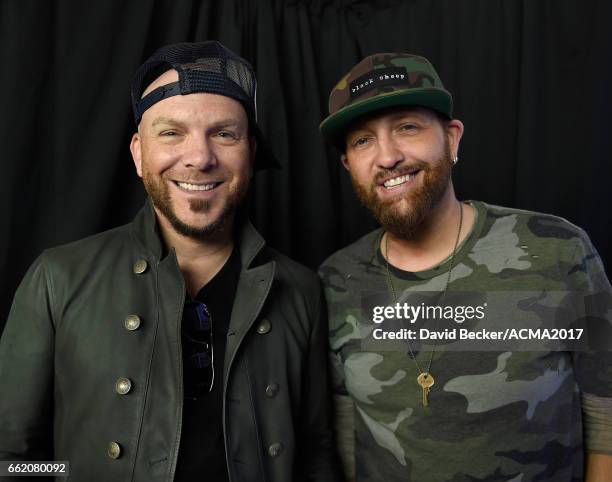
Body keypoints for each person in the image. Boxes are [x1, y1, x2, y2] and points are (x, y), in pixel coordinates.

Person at [0, 41, 339, 482]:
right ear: (139, 154)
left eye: (224, 133)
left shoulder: (300, 290)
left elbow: (316, 455)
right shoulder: (58, 277)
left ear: (251, 154)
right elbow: (11, 457)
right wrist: (70, 474)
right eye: (171, 133)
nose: (199, 157)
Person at [318, 52, 612, 481]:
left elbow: (606, 407)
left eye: (407, 127)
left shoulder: (558, 249)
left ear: (452, 138)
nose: (387, 157)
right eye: (363, 140)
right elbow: (347, 439)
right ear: (349, 165)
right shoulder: (334, 281)